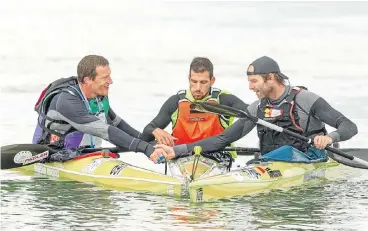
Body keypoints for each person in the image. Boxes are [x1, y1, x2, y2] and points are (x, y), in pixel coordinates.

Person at [150, 56, 358, 163]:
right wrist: (176, 150)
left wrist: (329, 138)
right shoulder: (256, 108)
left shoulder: (305, 99)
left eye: (254, 81)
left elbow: (349, 126)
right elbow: (223, 139)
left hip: (311, 159)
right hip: (271, 163)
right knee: (256, 162)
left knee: (284, 152)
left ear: (271, 78)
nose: (250, 87)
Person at [32, 55, 159, 160]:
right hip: (53, 154)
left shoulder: (99, 95)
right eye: (105, 77)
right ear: (87, 80)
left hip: (84, 154)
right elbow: (104, 130)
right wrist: (145, 148)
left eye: (109, 76)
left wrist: (150, 143)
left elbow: (115, 124)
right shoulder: (66, 100)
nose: (111, 81)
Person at [140, 57, 249, 165]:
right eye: (194, 81)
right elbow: (145, 136)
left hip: (217, 159)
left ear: (212, 81)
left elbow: (251, 113)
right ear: (189, 78)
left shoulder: (224, 100)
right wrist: (155, 130)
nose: (198, 87)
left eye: (203, 82)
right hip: (182, 159)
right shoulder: (175, 102)